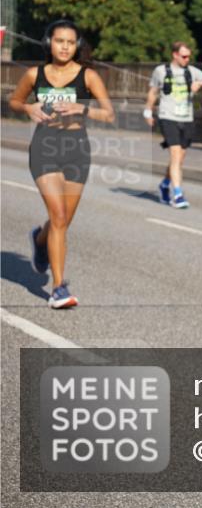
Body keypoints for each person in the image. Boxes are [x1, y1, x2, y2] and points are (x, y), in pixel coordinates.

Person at [8, 20, 115, 308]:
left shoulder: (88, 76)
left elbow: (109, 114)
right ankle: (58, 288)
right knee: (57, 215)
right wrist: (28, 107)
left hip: (76, 149)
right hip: (44, 147)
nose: (65, 47)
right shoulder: (35, 74)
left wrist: (83, 108)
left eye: (70, 42)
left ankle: (40, 240)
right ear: (49, 43)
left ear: (76, 46)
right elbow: (14, 101)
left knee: (62, 220)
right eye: (59, 41)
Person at [144, 42, 202, 208]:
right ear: (175, 55)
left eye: (189, 56)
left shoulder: (192, 71)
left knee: (179, 159)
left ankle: (164, 184)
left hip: (186, 118)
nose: (187, 59)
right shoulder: (161, 71)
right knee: (175, 154)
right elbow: (153, 91)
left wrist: (200, 84)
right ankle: (177, 194)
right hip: (168, 117)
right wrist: (147, 111)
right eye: (184, 56)